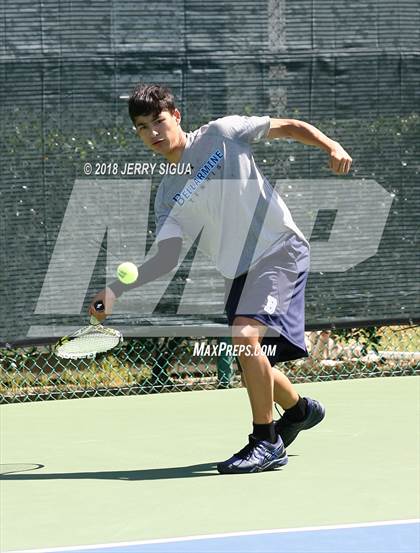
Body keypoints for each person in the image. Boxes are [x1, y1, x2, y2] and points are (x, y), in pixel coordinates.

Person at [89, 84, 352, 474]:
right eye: (143, 127)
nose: (154, 133)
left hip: (279, 249)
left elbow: (290, 126)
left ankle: (266, 441)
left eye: (159, 121)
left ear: (175, 116)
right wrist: (115, 290)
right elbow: (166, 257)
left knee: (245, 339)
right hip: (239, 272)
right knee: (252, 362)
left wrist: (331, 145)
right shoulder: (168, 196)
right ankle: (299, 411)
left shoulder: (222, 133)